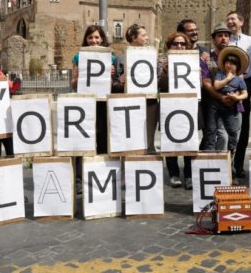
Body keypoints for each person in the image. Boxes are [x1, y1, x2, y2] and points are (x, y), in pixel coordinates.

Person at [71, 24, 119, 154]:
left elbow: (114, 85)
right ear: (86, 40)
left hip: (103, 102)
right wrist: (78, 76)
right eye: (90, 37)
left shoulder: (111, 58)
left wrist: (112, 76)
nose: (94, 40)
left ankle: (101, 163)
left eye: (97, 37)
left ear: (102, 39)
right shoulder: (78, 57)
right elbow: (73, 85)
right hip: (85, 101)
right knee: (85, 134)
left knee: (103, 133)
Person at [158, 32, 194, 188]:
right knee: (170, 141)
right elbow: (160, 86)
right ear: (169, 47)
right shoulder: (162, 63)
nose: (179, 46)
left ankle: (189, 175)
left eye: (182, 44)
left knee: (189, 140)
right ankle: (173, 174)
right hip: (169, 106)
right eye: (175, 44)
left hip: (188, 105)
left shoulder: (194, 62)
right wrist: (166, 71)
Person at [226, 11, 251, 178]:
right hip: (227, 85)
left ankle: (239, 164)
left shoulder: (250, 42)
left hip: (246, 84)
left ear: (241, 22)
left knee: (244, 128)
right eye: (228, 19)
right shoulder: (224, 40)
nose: (230, 22)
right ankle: (227, 163)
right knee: (228, 127)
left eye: (233, 19)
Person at [201, 23, 238, 150]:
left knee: (233, 136)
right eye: (220, 35)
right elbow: (206, 82)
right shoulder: (207, 59)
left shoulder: (235, 57)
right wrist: (221, 97)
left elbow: (240, 79)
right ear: (213, 39)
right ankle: (212, 165)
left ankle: (229, 166)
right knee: (218, 135)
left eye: (226, 35)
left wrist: (236, 97)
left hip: (233, 103)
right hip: (213, 103)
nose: (223, 38)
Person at [123, 23, 158, 153]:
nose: (147, 38)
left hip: (150, 102)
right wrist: (121, 82)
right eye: (143, 35)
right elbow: (114, 84)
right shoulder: (121, 58)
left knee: (149, 139)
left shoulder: (153, 56)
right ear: (133, 37)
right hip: (131, 102)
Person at [212, 46, 248, 155]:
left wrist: (237, 98)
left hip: (234, 111)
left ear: (237, 67)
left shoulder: (239, 80)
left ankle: (230, 162)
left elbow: (245, 93)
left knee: (233, 135)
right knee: (222, 135)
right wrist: (227, 79)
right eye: (227, 62)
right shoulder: (220, 75)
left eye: (232, 64)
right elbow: (217, 86)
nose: (229, 65)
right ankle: (220, 158)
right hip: (220, 109)